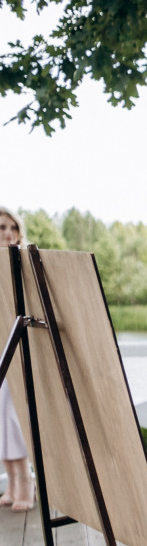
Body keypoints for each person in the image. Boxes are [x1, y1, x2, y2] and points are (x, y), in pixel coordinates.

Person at [0, 206, 33, 511]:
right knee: (0, 419)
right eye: (1, 227)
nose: (8, 233)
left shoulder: (23, 264)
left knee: (14, 418)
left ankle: (27, 484)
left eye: (13, 227)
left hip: (18, 349)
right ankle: (10, 481)